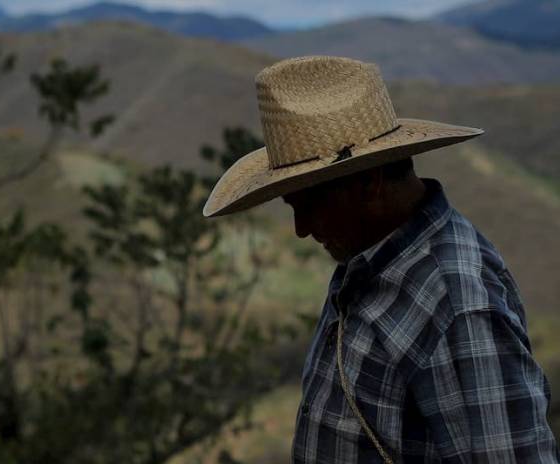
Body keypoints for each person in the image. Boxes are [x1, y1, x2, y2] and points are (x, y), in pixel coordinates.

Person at [203, 56, 560, 463]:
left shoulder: (456, 304)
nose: (301, 228)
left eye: (309, 204)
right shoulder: (369, 262)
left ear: (369, 184)